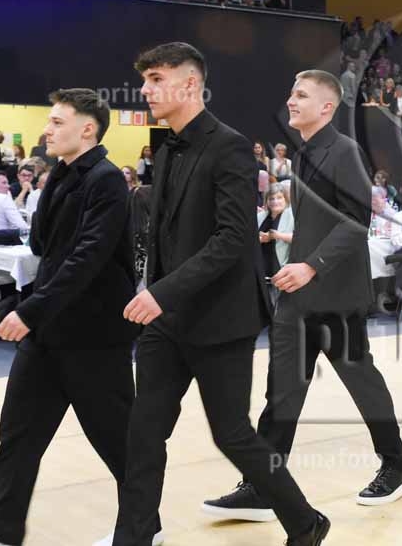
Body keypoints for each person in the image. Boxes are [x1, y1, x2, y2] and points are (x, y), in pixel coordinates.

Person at [108, 43, 329, 546]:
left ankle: (305, 521)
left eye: (156, 79)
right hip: (166, 322)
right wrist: (153, 291)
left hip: (221, 320)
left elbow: (232, 239)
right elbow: (165, 234)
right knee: (143, 434)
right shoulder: (166, 148)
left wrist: (162, 293)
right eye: (144, 80)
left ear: (190, 84)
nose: (145, 90)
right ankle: (134, 536)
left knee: (232, 434)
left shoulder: (229, 146)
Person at [203, 69, 402, 521]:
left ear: (326, 107)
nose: (291, 100)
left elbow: (356, 222)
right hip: (297, 297)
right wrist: (296, 265)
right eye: (291, 92)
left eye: (301, 94)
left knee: (362, 384)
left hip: (336, 297)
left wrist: (310, 265)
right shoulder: (302, 155)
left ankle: (397, 465)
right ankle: (263, 485)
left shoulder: (345, 151)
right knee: (281, 394)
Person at [0, 90, 149, 546]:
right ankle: (0, 531)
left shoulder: (108, 181)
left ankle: (143, 527)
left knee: (116, 440)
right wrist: (48, 182)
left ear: (87, 129)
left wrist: (28, 310)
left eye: (57, 122)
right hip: (49, 331)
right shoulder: (61, 174)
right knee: (19, 433)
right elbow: (42, 246)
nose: (46, 130)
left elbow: (87, 258)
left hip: (95, 337)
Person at [257, 183, 293, 308]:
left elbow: (300, 238)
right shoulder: (260, 216)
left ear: (286, 199)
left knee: (279, 308)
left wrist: (277, 236)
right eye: (271, 198)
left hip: (281, 269)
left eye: (279, 197)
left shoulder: (292, 215)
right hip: (261, 269)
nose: (275, 201)